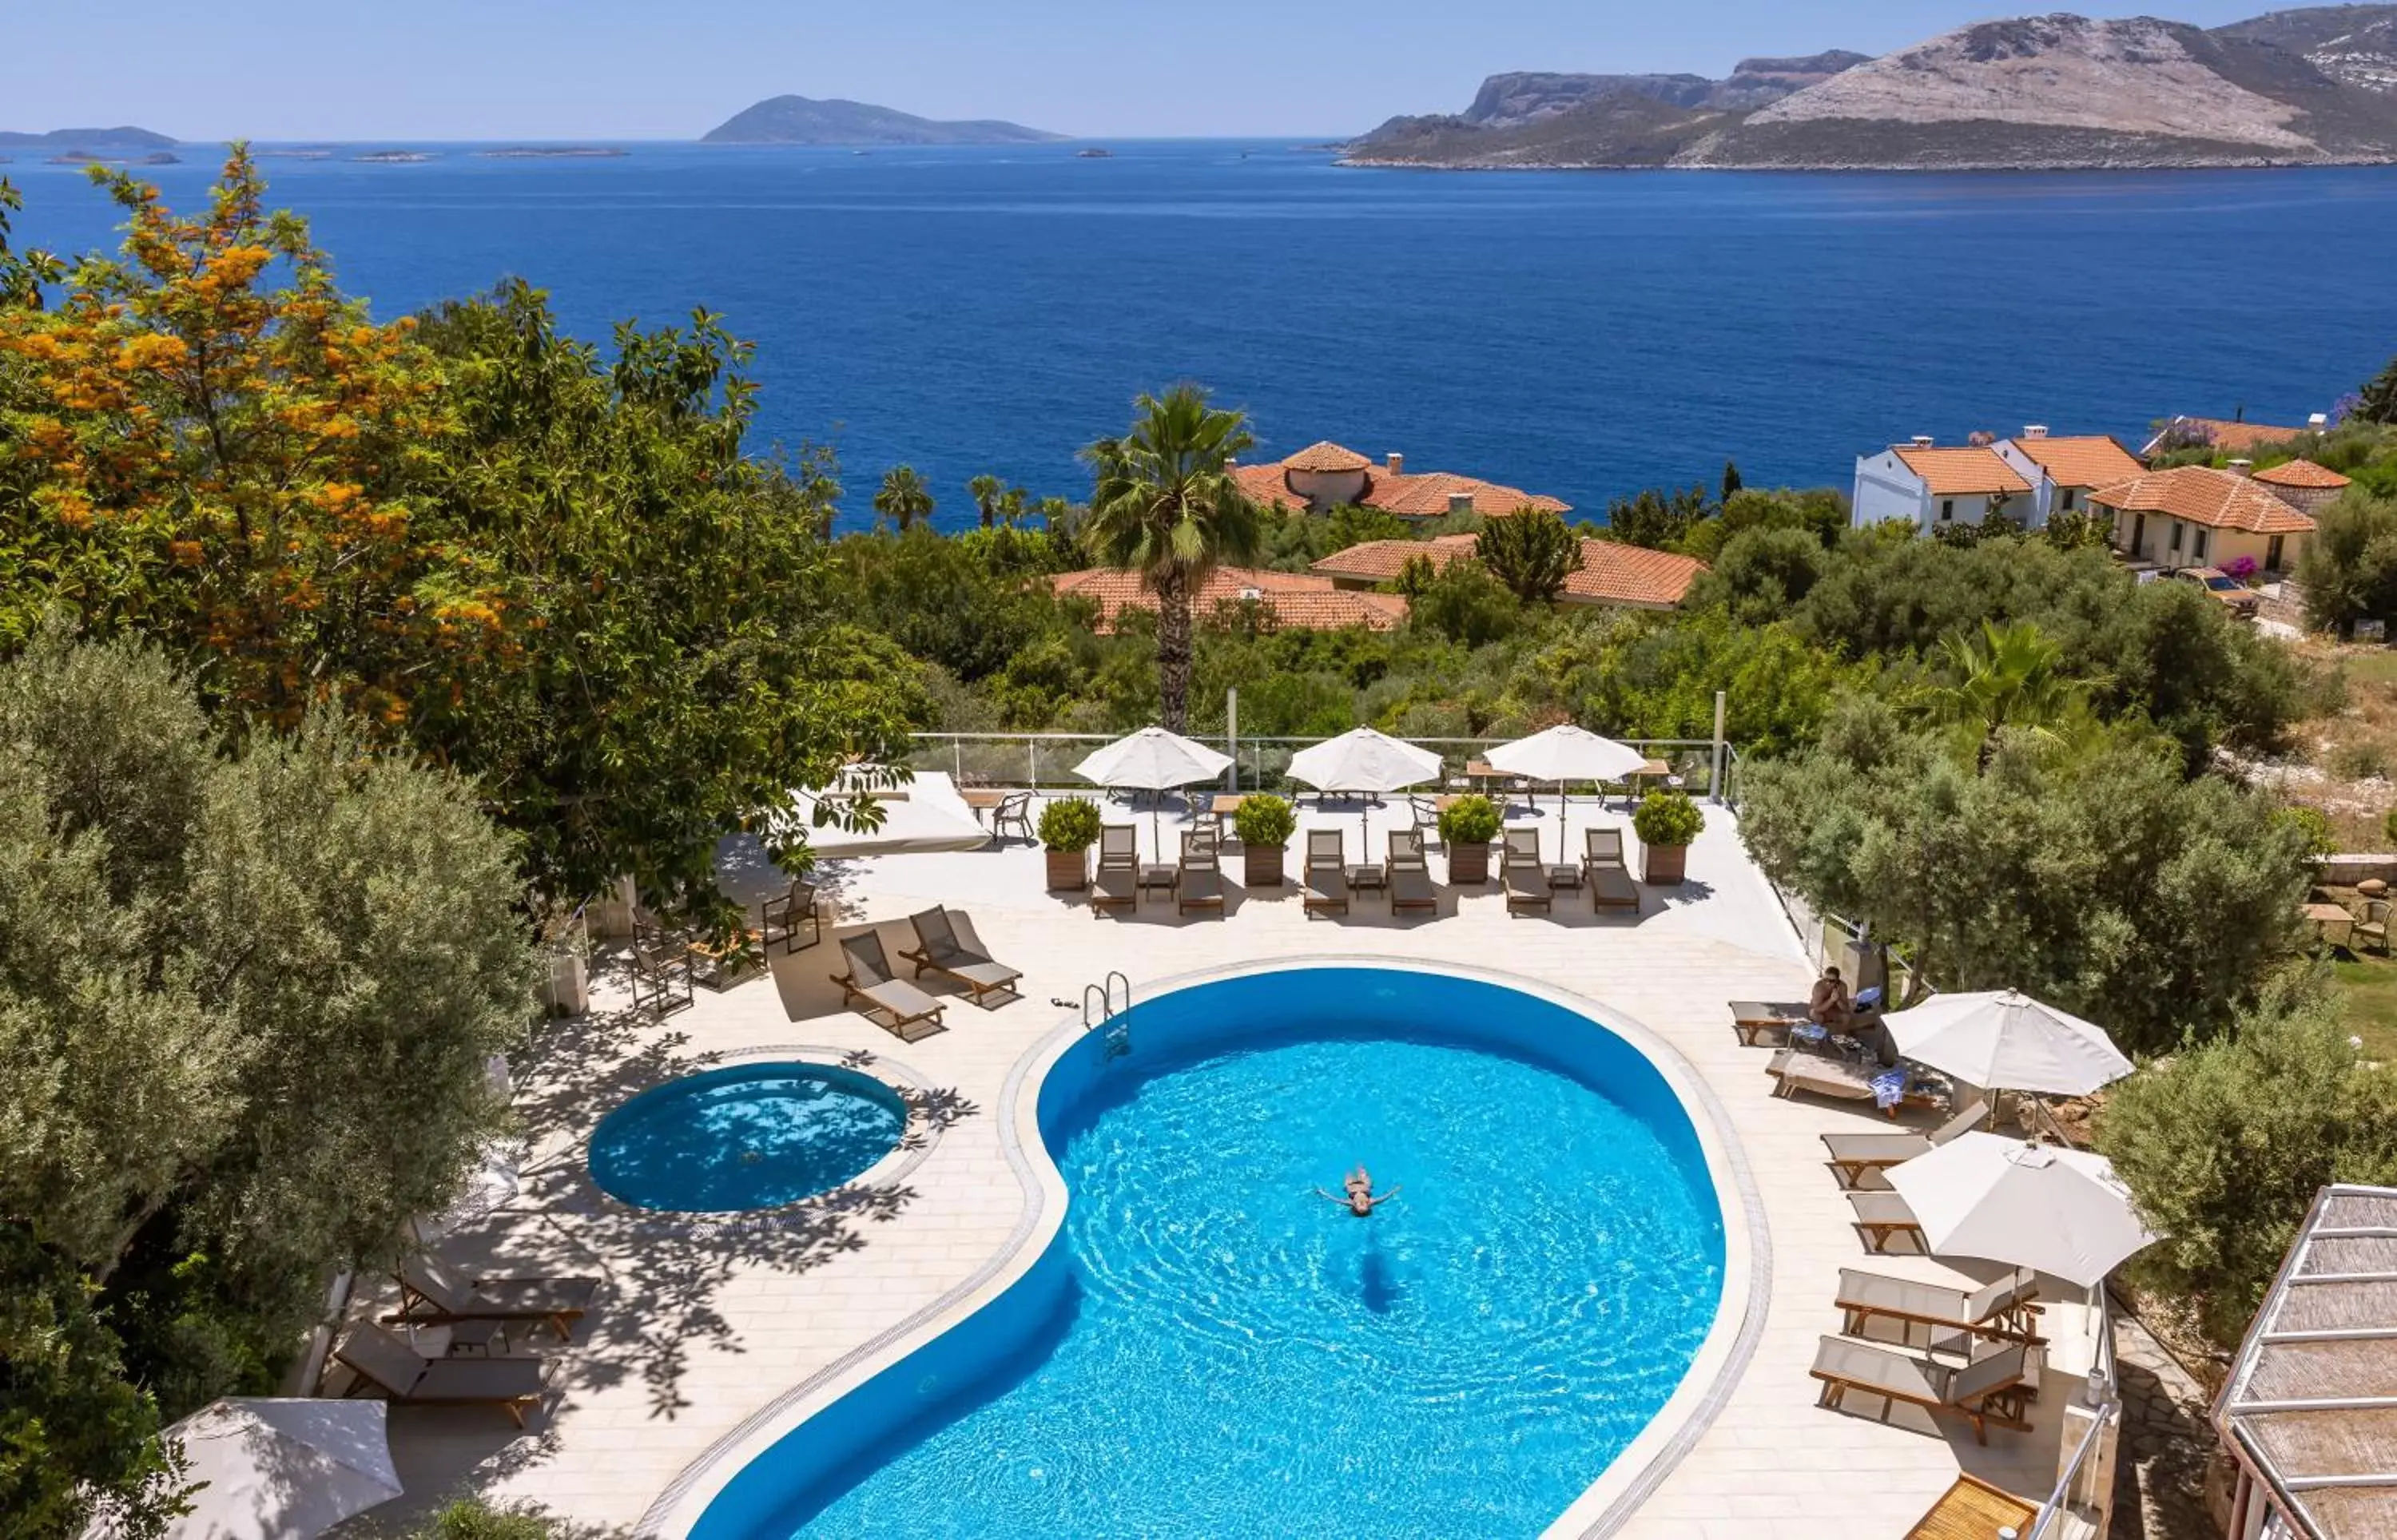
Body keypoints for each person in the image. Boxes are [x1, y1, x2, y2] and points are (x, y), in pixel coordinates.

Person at [1316, 1165, 1401, 1217]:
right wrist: (1394, 1190)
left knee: (1347, 1171)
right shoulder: (1372, 1201)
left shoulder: (1350, 1202)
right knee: (1362, 1169)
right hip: (1365, 1184)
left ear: (1355, 1207)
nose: (1363, 1204)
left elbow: (1335, 1199)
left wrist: (1323, 1193)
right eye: (1365, 1206)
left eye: (1360, 1206)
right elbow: (1385, 1197)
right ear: (1369, 1206)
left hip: (1350, 1185)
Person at [1809, 966, 1853, 1033]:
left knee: (1847, 1018)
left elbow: (1845, 1008)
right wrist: (1831, 1000)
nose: (1828, 983)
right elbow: (1817, 1008)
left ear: (1837, 981)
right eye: (1825, 980)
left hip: (1835, 1012)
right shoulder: (1819, 987)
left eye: (1832, 981)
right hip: (1822, 1013)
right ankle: (1818, 1033)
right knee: (1814, 1014)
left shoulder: (1842, 986)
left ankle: (1841, 1036)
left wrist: (1838, 1000)